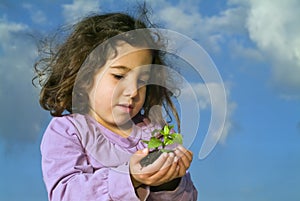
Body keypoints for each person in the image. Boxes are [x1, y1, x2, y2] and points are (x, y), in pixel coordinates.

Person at [34, 9, 198, 201]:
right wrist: (130, 177)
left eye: (142, 81)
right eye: (119, 76)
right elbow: (66, 194)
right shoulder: (68, 131)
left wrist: (168, 181)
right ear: (84, 77)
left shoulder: (153, 131)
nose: (133, 91)